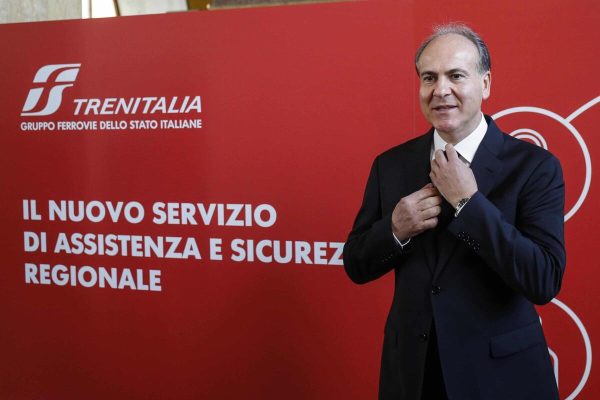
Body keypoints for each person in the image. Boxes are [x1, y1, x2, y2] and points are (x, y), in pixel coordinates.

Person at [343, 24, 565, 400]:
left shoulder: (535, 167)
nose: (440, 90)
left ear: (486, 84)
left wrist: (468, 204)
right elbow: (356, 264)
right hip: (413, 374)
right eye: (429, 78)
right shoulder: (391, 165)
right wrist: (395, 229)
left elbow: (542, 279)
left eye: (456, 76)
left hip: (501, 377)